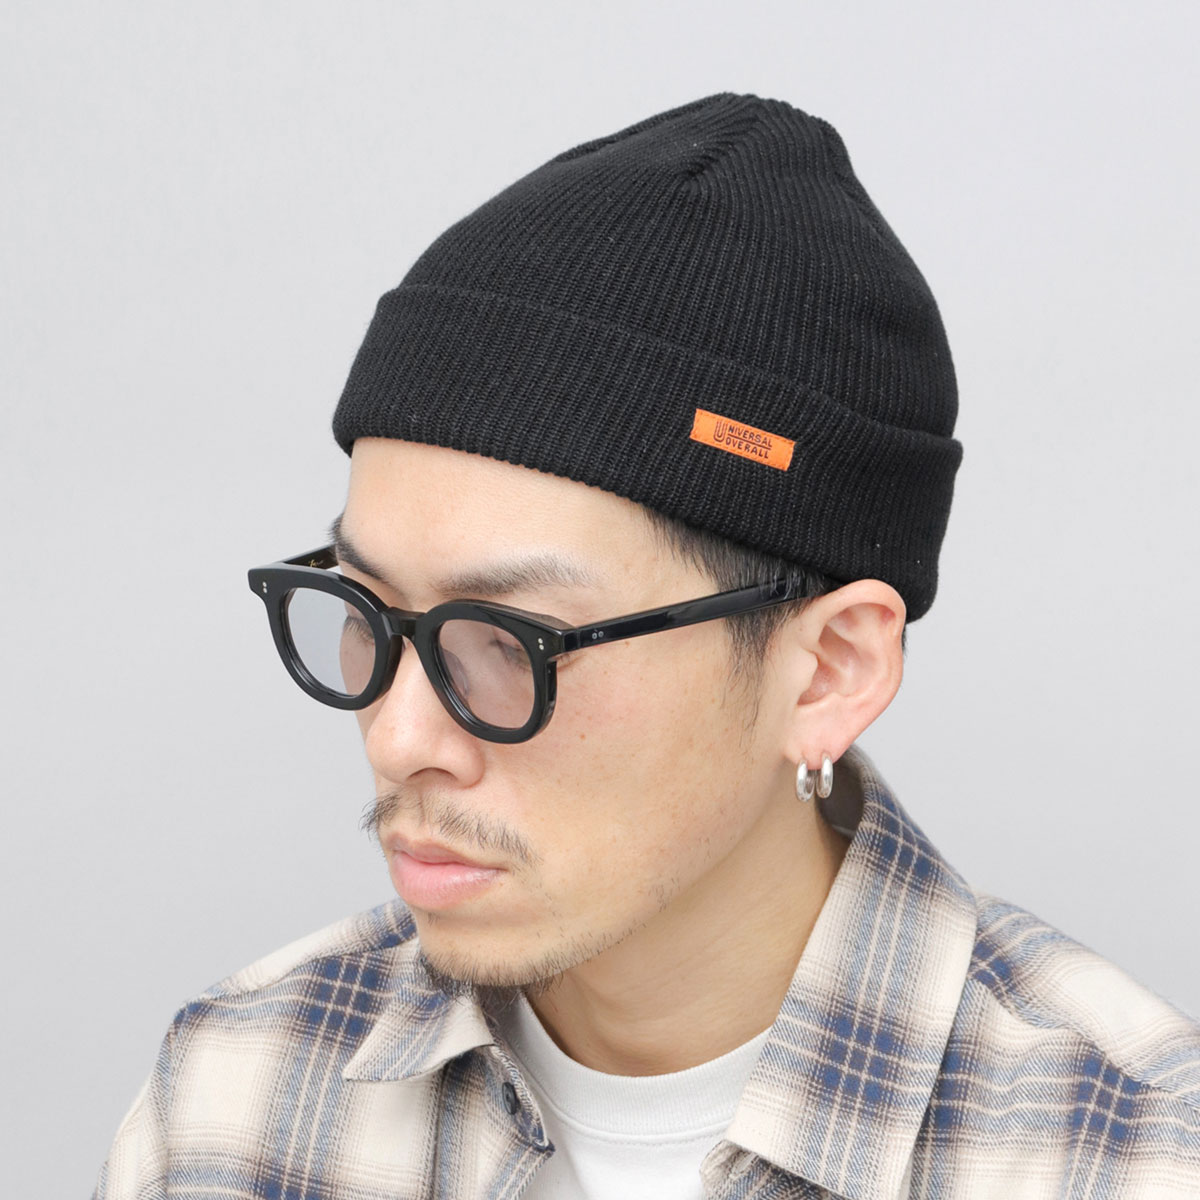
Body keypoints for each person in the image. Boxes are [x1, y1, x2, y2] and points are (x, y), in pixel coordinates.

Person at [93, 91, 1200, 1199]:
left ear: (829, 673)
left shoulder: (1129, 1155)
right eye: (366, 610)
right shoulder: (238, 1101)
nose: (399, 737)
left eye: (510, 642)